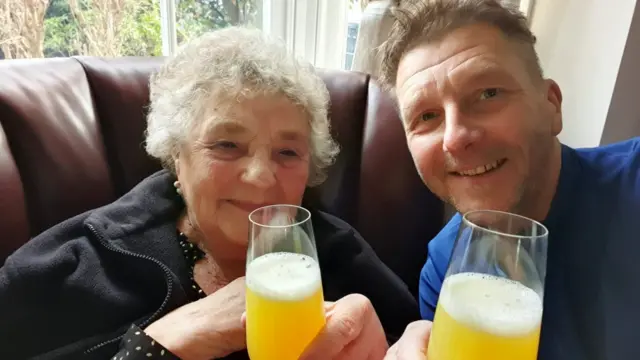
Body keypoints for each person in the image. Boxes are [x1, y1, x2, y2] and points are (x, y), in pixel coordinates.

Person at [0, 27, 421, 360]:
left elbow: (416, 339)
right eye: (226, 145)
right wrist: (157, 345)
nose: (260, 177)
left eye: (288, 151)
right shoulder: (76, 264)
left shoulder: (338, 252)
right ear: (175, 157)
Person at [363, 0, 640, 359]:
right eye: (427, 116)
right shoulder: (444, 268)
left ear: (551, 106)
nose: (454, 137)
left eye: (488, 93)